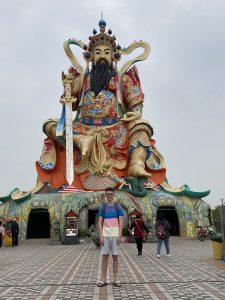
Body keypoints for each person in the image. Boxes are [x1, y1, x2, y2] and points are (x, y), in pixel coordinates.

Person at [35, 16, 167, 193]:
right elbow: (70, 105)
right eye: (98, 53)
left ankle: (136, 164)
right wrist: (68, 87)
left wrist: (135, 114)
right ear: (90, 57)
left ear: (114, 56)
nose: (102, 56)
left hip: (114, 128)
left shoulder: (122, 79)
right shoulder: (82, 79)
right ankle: (80, 141)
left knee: (143, 125)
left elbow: (136, 106)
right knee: (50, 124)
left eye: (106, 52)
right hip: (83, 128)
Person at [97, 187, 124, 287]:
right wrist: (101, 236)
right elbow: (99, 222)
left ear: (113, 195)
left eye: (110, 194)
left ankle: (116, 279)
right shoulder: (102, 208)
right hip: (105, 235)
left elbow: (121, 221)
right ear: (105, 195)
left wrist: (120, 234)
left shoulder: (118, 207)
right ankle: (103, 279)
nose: (109, 196)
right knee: (104, 257)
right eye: (107, 194)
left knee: (115, 257)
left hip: (115, 235)